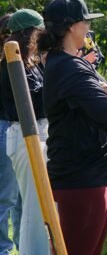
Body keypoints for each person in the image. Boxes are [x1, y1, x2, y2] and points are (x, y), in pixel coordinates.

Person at [38, 0, 107, 255]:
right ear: (71, 26)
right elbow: (104, 111)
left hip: (96, 175)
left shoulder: (78, 64)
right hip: (79, 179)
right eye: (85, 22)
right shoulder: (66, 67)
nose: (89, 28)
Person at [0, 9, 51, 254]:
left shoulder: (31, 61)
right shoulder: (11, 62)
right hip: (17, 132)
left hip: (31, 133)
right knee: (14, 199)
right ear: (30, 33)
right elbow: (28, 100)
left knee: (27, 202)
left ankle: (25, 247)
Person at [0, 13, 21, 255]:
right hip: (6, 126)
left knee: (17, 197)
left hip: (11, 126)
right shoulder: (8, 61)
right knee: (7, 197)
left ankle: (19, 245)